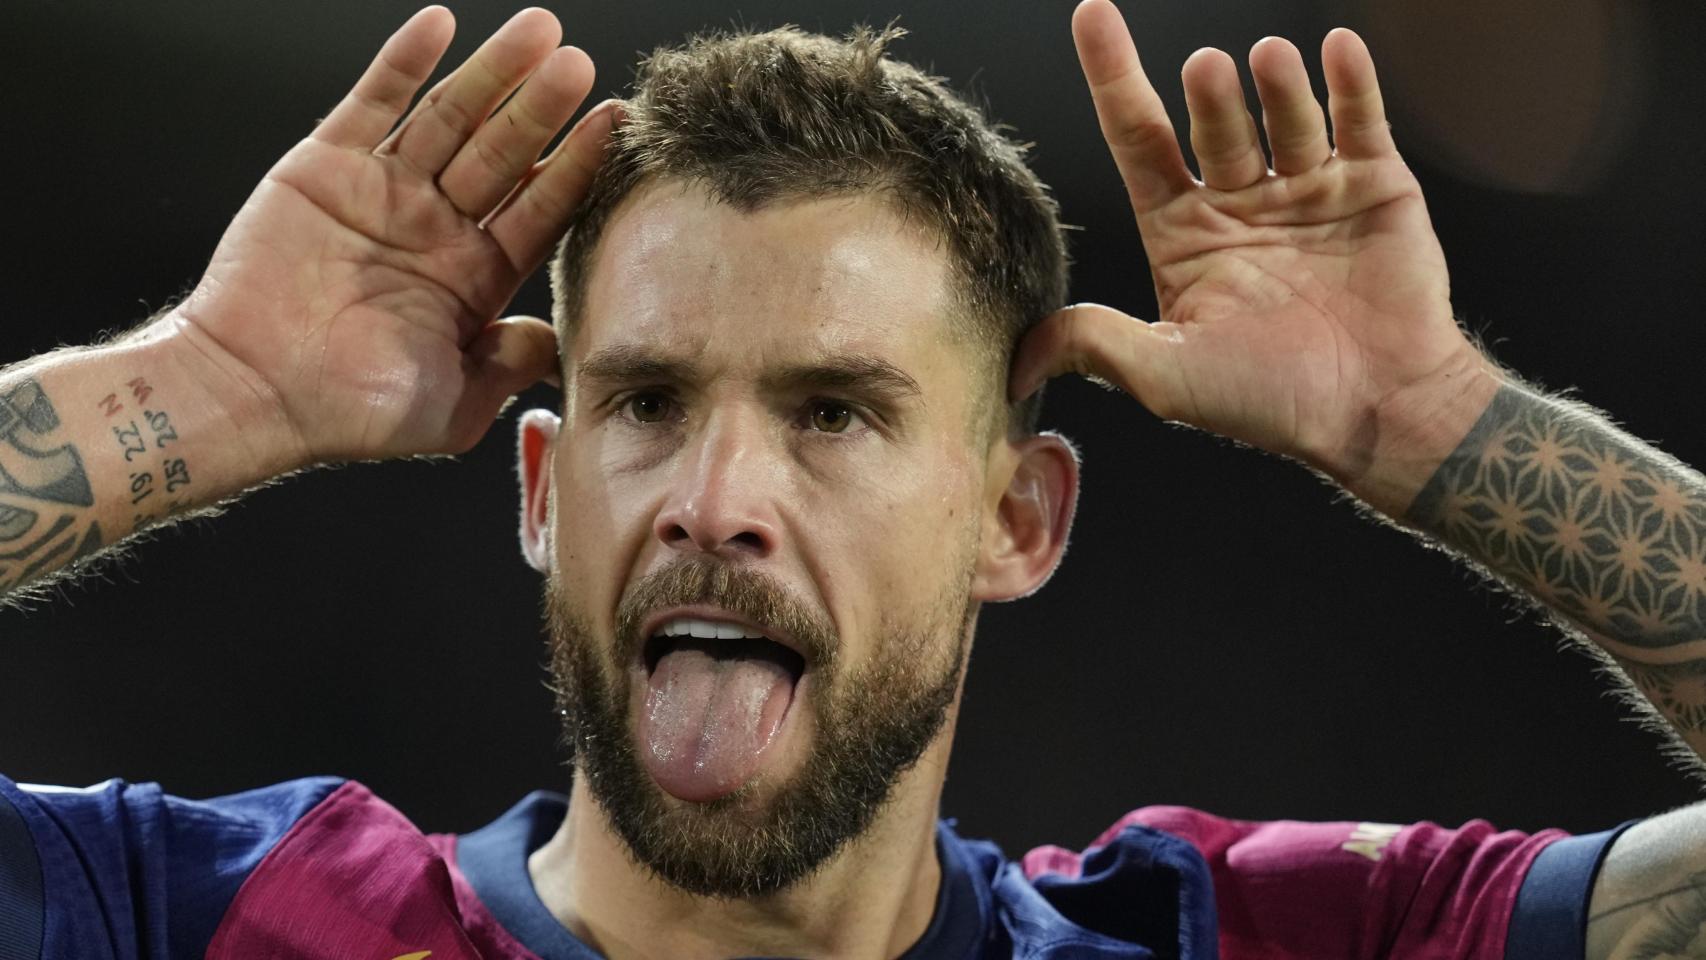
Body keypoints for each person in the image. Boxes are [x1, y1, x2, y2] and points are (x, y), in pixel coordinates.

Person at [0, 0, 1699, 956]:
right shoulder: (195, 919)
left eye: (832, 412)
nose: (713, 497)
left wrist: (1435, 427)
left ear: (1016, 517)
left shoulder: (1225, 947)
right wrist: (200, 395)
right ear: (539, 488)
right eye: (646, 400)